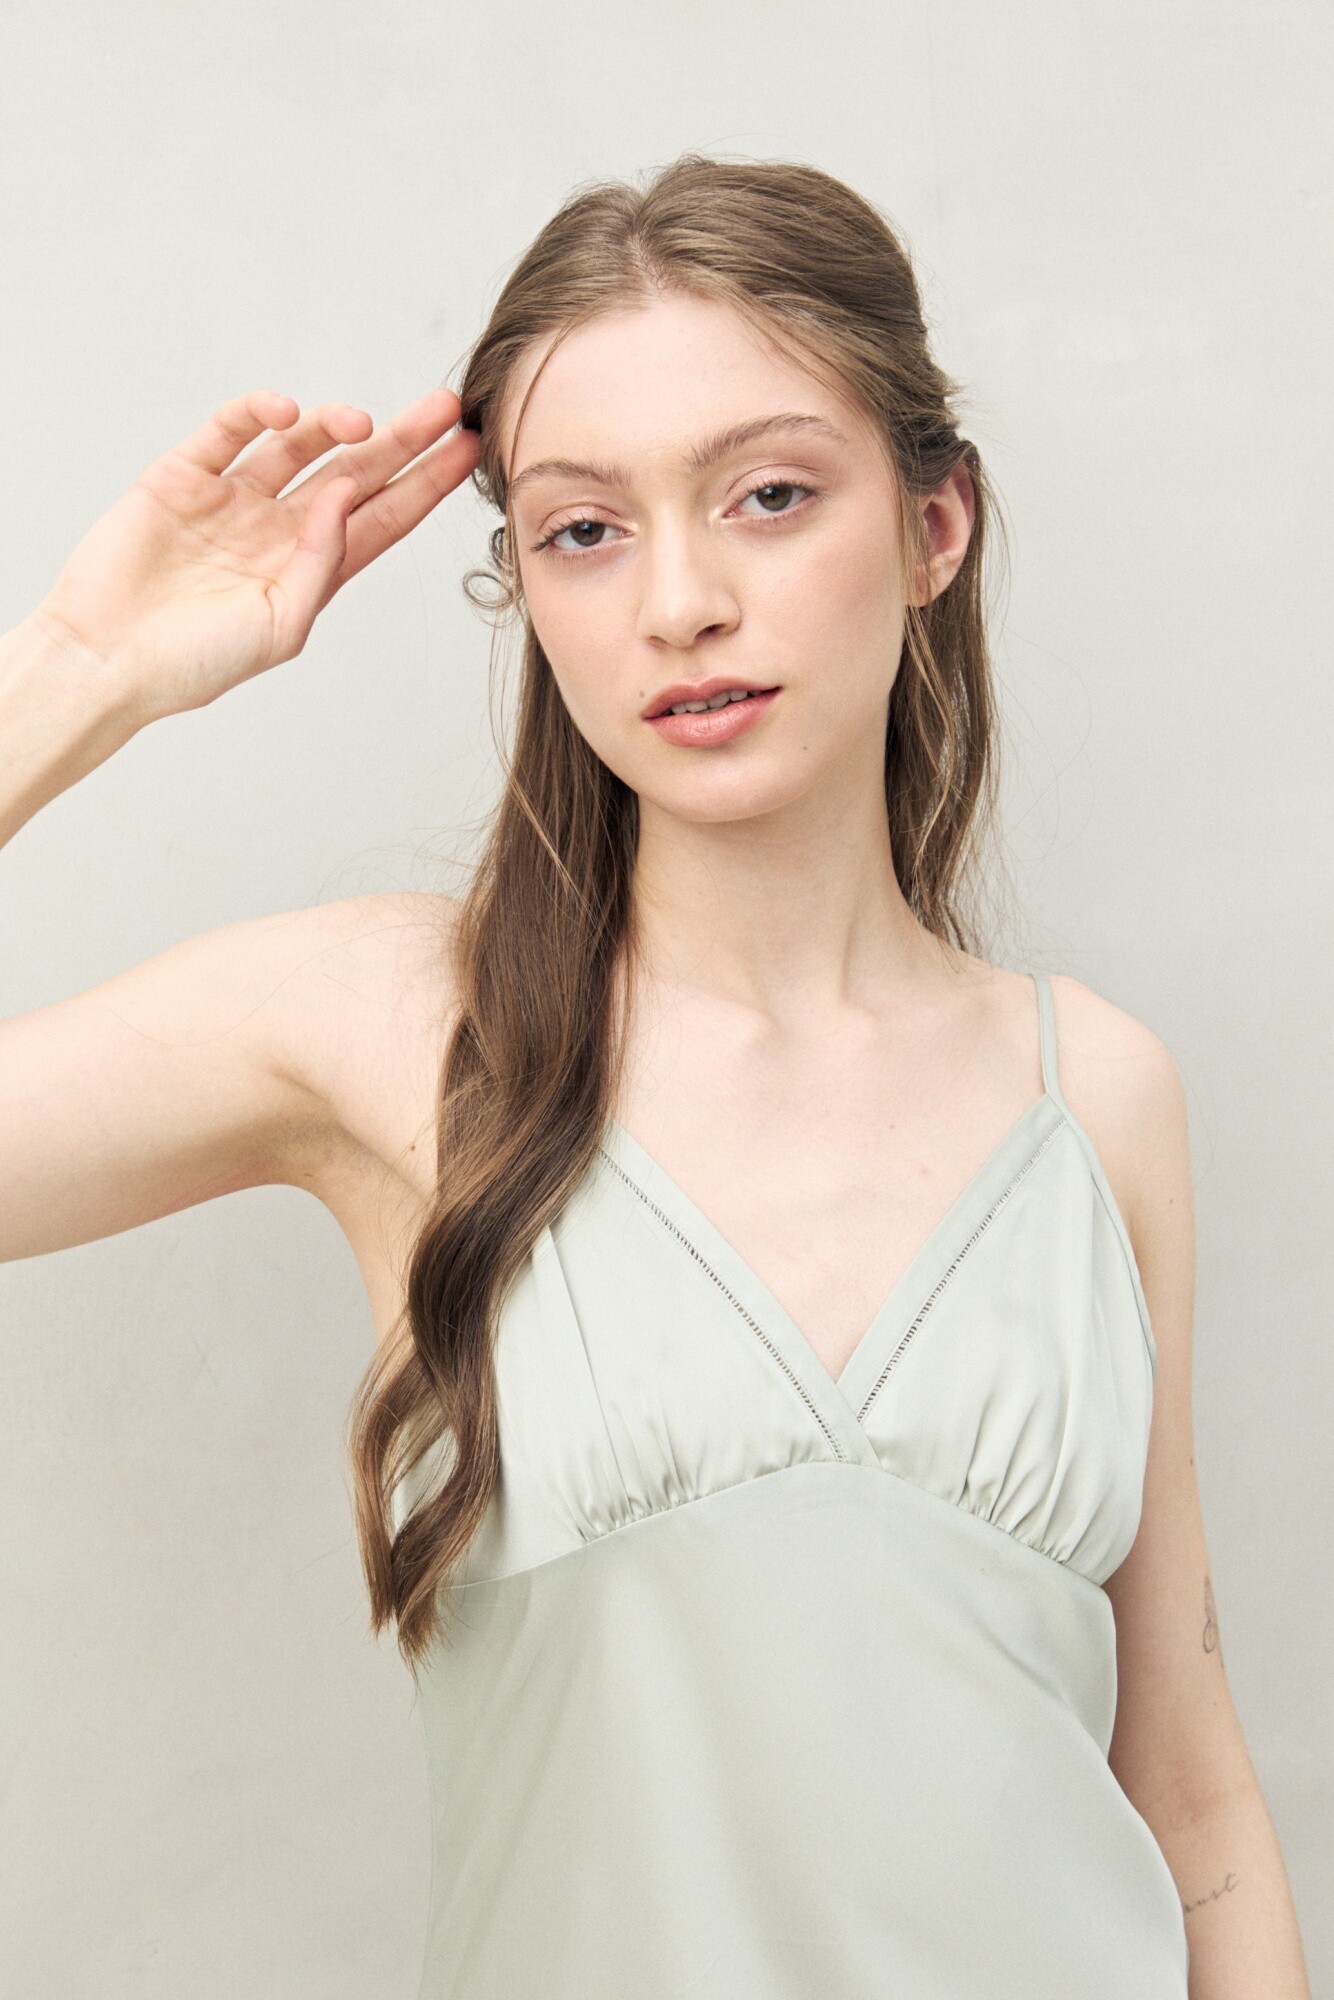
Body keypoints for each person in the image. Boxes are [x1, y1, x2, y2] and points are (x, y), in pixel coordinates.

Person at [0, 154, 1311, 1999]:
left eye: (768, 495)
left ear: (933, 525)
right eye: (583, 530)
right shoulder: (393, 1029)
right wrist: (75, 675)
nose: (679, 601)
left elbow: (1187, 1796)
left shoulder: (1094, 1090)